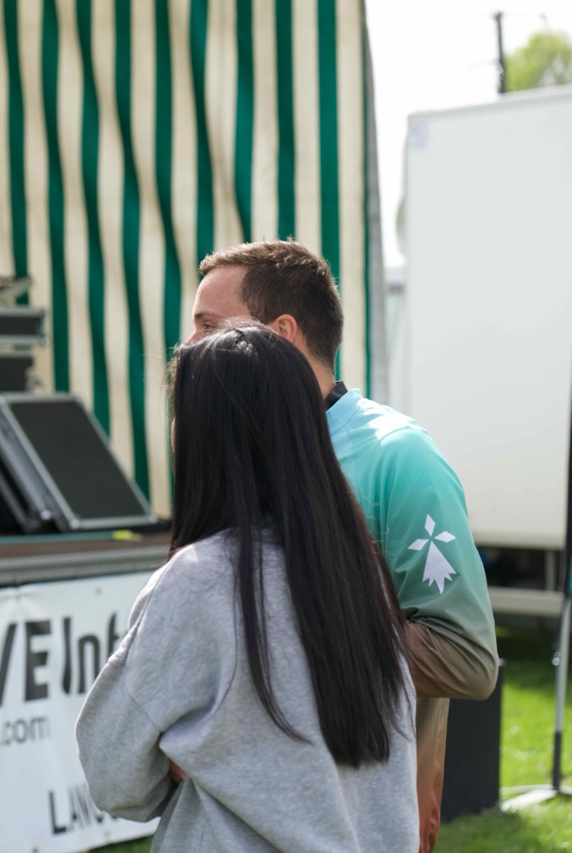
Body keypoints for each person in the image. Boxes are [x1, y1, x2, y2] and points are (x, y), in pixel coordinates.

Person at [187, 240, 499, 851]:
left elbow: (468, 660)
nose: (191, 346)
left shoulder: (398, 457)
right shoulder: (230, 451)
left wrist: (288, 640)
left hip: (366, 825)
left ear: (281, 334)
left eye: (209, 326)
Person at [77, 324, 418, 851]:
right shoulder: (359, 570)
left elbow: (113, 776)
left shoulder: (198, 580)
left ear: (204, 434)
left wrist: (185, 758)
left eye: (179, 414)